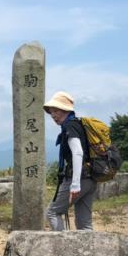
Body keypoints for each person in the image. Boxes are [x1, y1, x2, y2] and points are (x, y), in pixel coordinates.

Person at [44, 91, 97, 230]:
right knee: (84, 223)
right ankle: (88, 245)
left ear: (65, 110)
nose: (53, 115)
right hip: (90, 178)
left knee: (52, 213)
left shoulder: (69, 126)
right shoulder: (78, 124)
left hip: (79, 178)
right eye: (51, 112)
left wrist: (75, 184)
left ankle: (64, 243)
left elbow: (78, 152)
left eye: (56, 110)